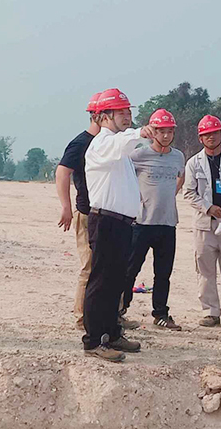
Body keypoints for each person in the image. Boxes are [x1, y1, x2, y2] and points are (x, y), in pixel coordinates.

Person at [82, 87, 156, 362]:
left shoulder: (119, 149)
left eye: (128, 112)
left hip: (122, 223)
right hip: (106, 222)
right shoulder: (103, 144)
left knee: (116, 283)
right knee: (101, 282)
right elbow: (122, 142)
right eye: (121, 112)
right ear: (104, 116)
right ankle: (94, 340)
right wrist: (139, 133)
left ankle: (112, 333)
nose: (127, 116)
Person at [122, 109, 185, 331]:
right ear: (152, 132)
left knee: (163, 273)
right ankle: (120, 310)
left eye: (169, 131)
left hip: (167, 223)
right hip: (141, 223)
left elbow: (180, 177)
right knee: (130, 270)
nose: (165, 136)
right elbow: (125, 178)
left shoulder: (178, 156)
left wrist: (169, 195)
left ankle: (160, 314)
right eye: (161, 131)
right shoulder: (138, 155)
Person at [183, 115, 221, 327]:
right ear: (200, 138)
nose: (211, 137)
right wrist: (208, 208)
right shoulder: (194, 163)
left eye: (215, 133)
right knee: (205, 270)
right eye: (206, 134)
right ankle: (210, 312)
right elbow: (188, 192)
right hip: (204, 224)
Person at [55, 92, 101, 330]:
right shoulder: (81, 143)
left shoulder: (111, 142)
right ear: (98, 115)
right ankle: (82, 317)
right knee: (89, 266)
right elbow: (62, 172)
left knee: (110, 266)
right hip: (86, 213)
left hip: (109, 214)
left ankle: (111, 314)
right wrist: (66, 206)